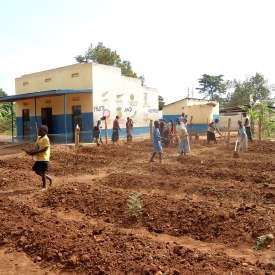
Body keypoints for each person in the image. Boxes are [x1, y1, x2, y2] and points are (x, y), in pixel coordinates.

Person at [25, 125, 52, 190]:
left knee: (42, 172)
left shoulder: (46, 138)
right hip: (39, 158)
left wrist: (36, 151)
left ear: (45, 132)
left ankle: (44, 186)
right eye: (38, 130)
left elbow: (45, 148)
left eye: (40, 131)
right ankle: (48, 177)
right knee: (36, 171)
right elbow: (37, 147)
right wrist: (32, 152)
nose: (39, 132)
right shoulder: (39, 138)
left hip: (44, 157)